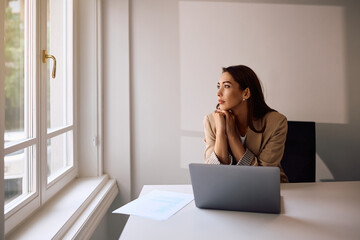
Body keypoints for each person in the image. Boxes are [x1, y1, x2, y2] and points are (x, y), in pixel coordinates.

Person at [203, 65, 289, 183]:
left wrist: (232, 134)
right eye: (218, 86)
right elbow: (214, 172)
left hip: (269, 189)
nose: (218, 93)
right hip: (228, 190)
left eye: (226, 86)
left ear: (246, 93)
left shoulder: (276, 123)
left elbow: (260, 177)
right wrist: (220, 131)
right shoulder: (211, 121)